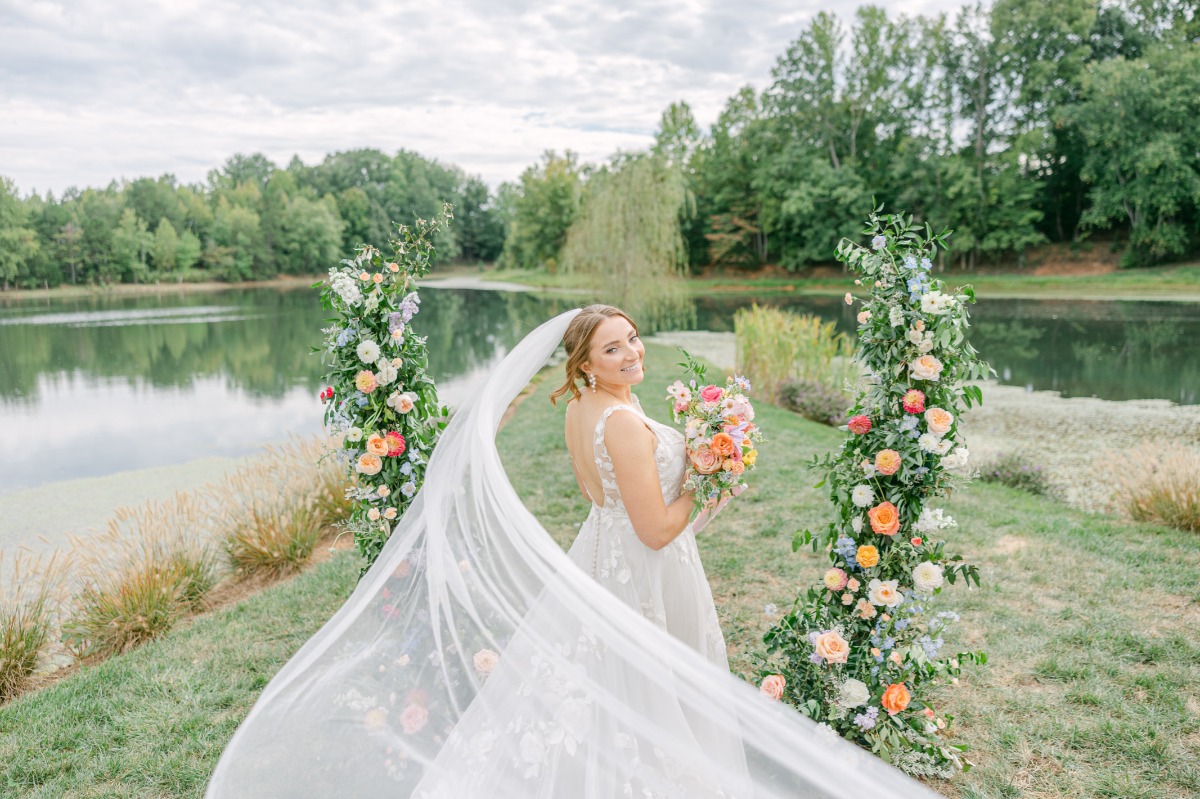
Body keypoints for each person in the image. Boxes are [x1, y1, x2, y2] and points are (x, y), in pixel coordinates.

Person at [205, 306, 940, 799]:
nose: (632, 351)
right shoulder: (619, 420)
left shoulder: (585, 409)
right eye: (613, 347)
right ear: (586, 362)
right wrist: (712, 488)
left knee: (605, 690)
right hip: (645, 567)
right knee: (655, 695)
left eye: (633, 339)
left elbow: (608, 502)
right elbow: (655, 528)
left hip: (604, 555)